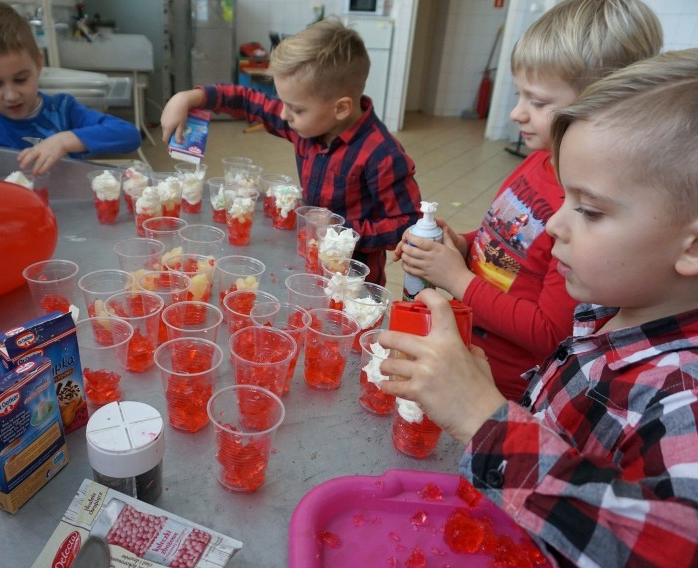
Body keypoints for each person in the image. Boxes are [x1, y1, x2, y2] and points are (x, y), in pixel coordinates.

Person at [380, 48, 698, 567]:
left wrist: (483, 418)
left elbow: (671, 549)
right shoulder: (605, 308)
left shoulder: (683, 394)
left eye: (589, 210)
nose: (553, 226)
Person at [394, 0, 662, 401]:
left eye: (537, 102)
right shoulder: (537, 161)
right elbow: (507, 244)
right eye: (519, 95)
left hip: (502, 387)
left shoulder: (581, 212)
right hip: (467, 346)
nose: (517, 113)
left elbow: (550, 334)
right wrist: (461, 244)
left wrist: (455, 279)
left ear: (601, 106)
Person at [160, 18, 421, 286]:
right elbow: (248, 100)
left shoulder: (381, 154)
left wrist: (340, 230)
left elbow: (408, 223)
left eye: (296, 109)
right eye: (283, 103)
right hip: (307, 263)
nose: (285, 115)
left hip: (352, 281)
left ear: (341, 108)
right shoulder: (307, 125)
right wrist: (190, 98)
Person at [0, 0, 140, 175]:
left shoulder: (63, 110)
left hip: (66, 217)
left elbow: (128, 134)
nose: (12, 95)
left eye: (21, 79)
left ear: (38, 63)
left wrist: (64, 140)